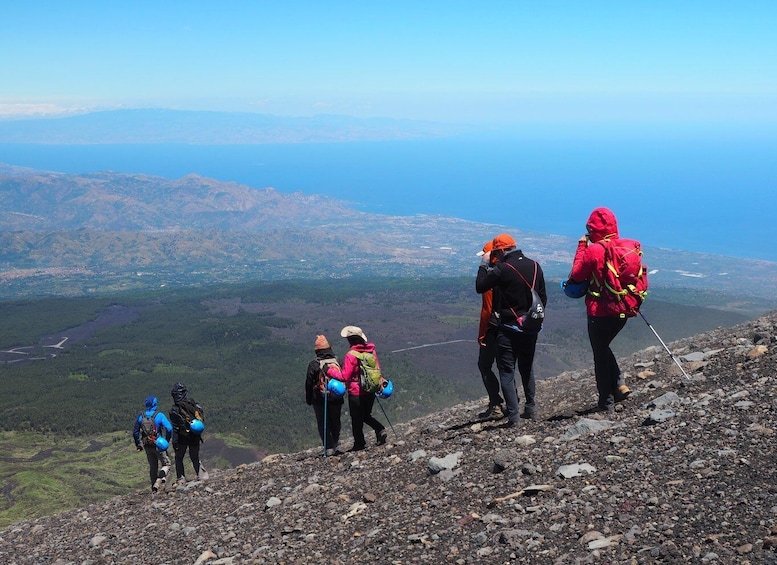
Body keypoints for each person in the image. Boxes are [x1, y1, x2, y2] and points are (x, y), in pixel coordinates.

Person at [476, 233, 547, 427]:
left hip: (508, 327)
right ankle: (531, 408)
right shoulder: (535, 265)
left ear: (499, 251)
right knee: (526, 367)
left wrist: (484, 264)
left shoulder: (502, 269)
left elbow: (480, 286)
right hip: (530, 327)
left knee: (506, 371)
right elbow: (542, 297)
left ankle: (514, 416)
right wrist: (529, 318)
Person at [568, 206, 633, 413]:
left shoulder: (594, 250)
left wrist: (581, 246)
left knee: (599, 353)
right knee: (603, 347)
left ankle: (606, 401)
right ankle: (620, 384)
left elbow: (577, 275)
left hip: (599, 311)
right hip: (624, 309)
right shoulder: (627, 247)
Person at [331, 325, 387, 451]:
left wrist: (330, 372)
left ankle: (359, 444)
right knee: (366, 415)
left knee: (356, 419)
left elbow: (345, 376)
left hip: (356, 392)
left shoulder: (351, 355)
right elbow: (377, 369)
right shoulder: (371, 351)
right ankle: (380, 429)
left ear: (350, 340)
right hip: (370, 389)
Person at [476, 239, 504, 420]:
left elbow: (487, 308)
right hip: (510, 325)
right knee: (505, 365)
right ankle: (513, 403)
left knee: (485, 365)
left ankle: (496, 404)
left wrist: (482, 333)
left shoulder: (491, 275)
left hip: (493, 327)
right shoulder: (507, 270)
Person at [305, 334, 344, 456]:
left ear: (317, 351)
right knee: (335, 421)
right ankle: (335, 442)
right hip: (337, 398)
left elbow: (309, 383)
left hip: (320, 399)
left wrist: (309, 399)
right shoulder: (337, 361)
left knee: (323, 423)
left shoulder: (314, 364)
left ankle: (328, 447)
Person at [132, 395, 172, 494]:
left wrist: (138, 444)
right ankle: (159, 481)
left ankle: (153, 489)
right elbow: (169, 428)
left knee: (153, 467)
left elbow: (135, 432)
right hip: (158, 444)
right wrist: (166, 440)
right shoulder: (159, 415)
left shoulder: (141, 416)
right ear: (155, 404)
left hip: (147, 445)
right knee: (167, 464)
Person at [169, 382, 207, 485]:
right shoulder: (193, 404)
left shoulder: (174, 410)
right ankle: (202, 476)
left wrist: (175, 442)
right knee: (195, 457)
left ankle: (181, 479)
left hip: (182, 438)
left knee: (179, 457)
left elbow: (175, 428)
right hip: (195, 436)